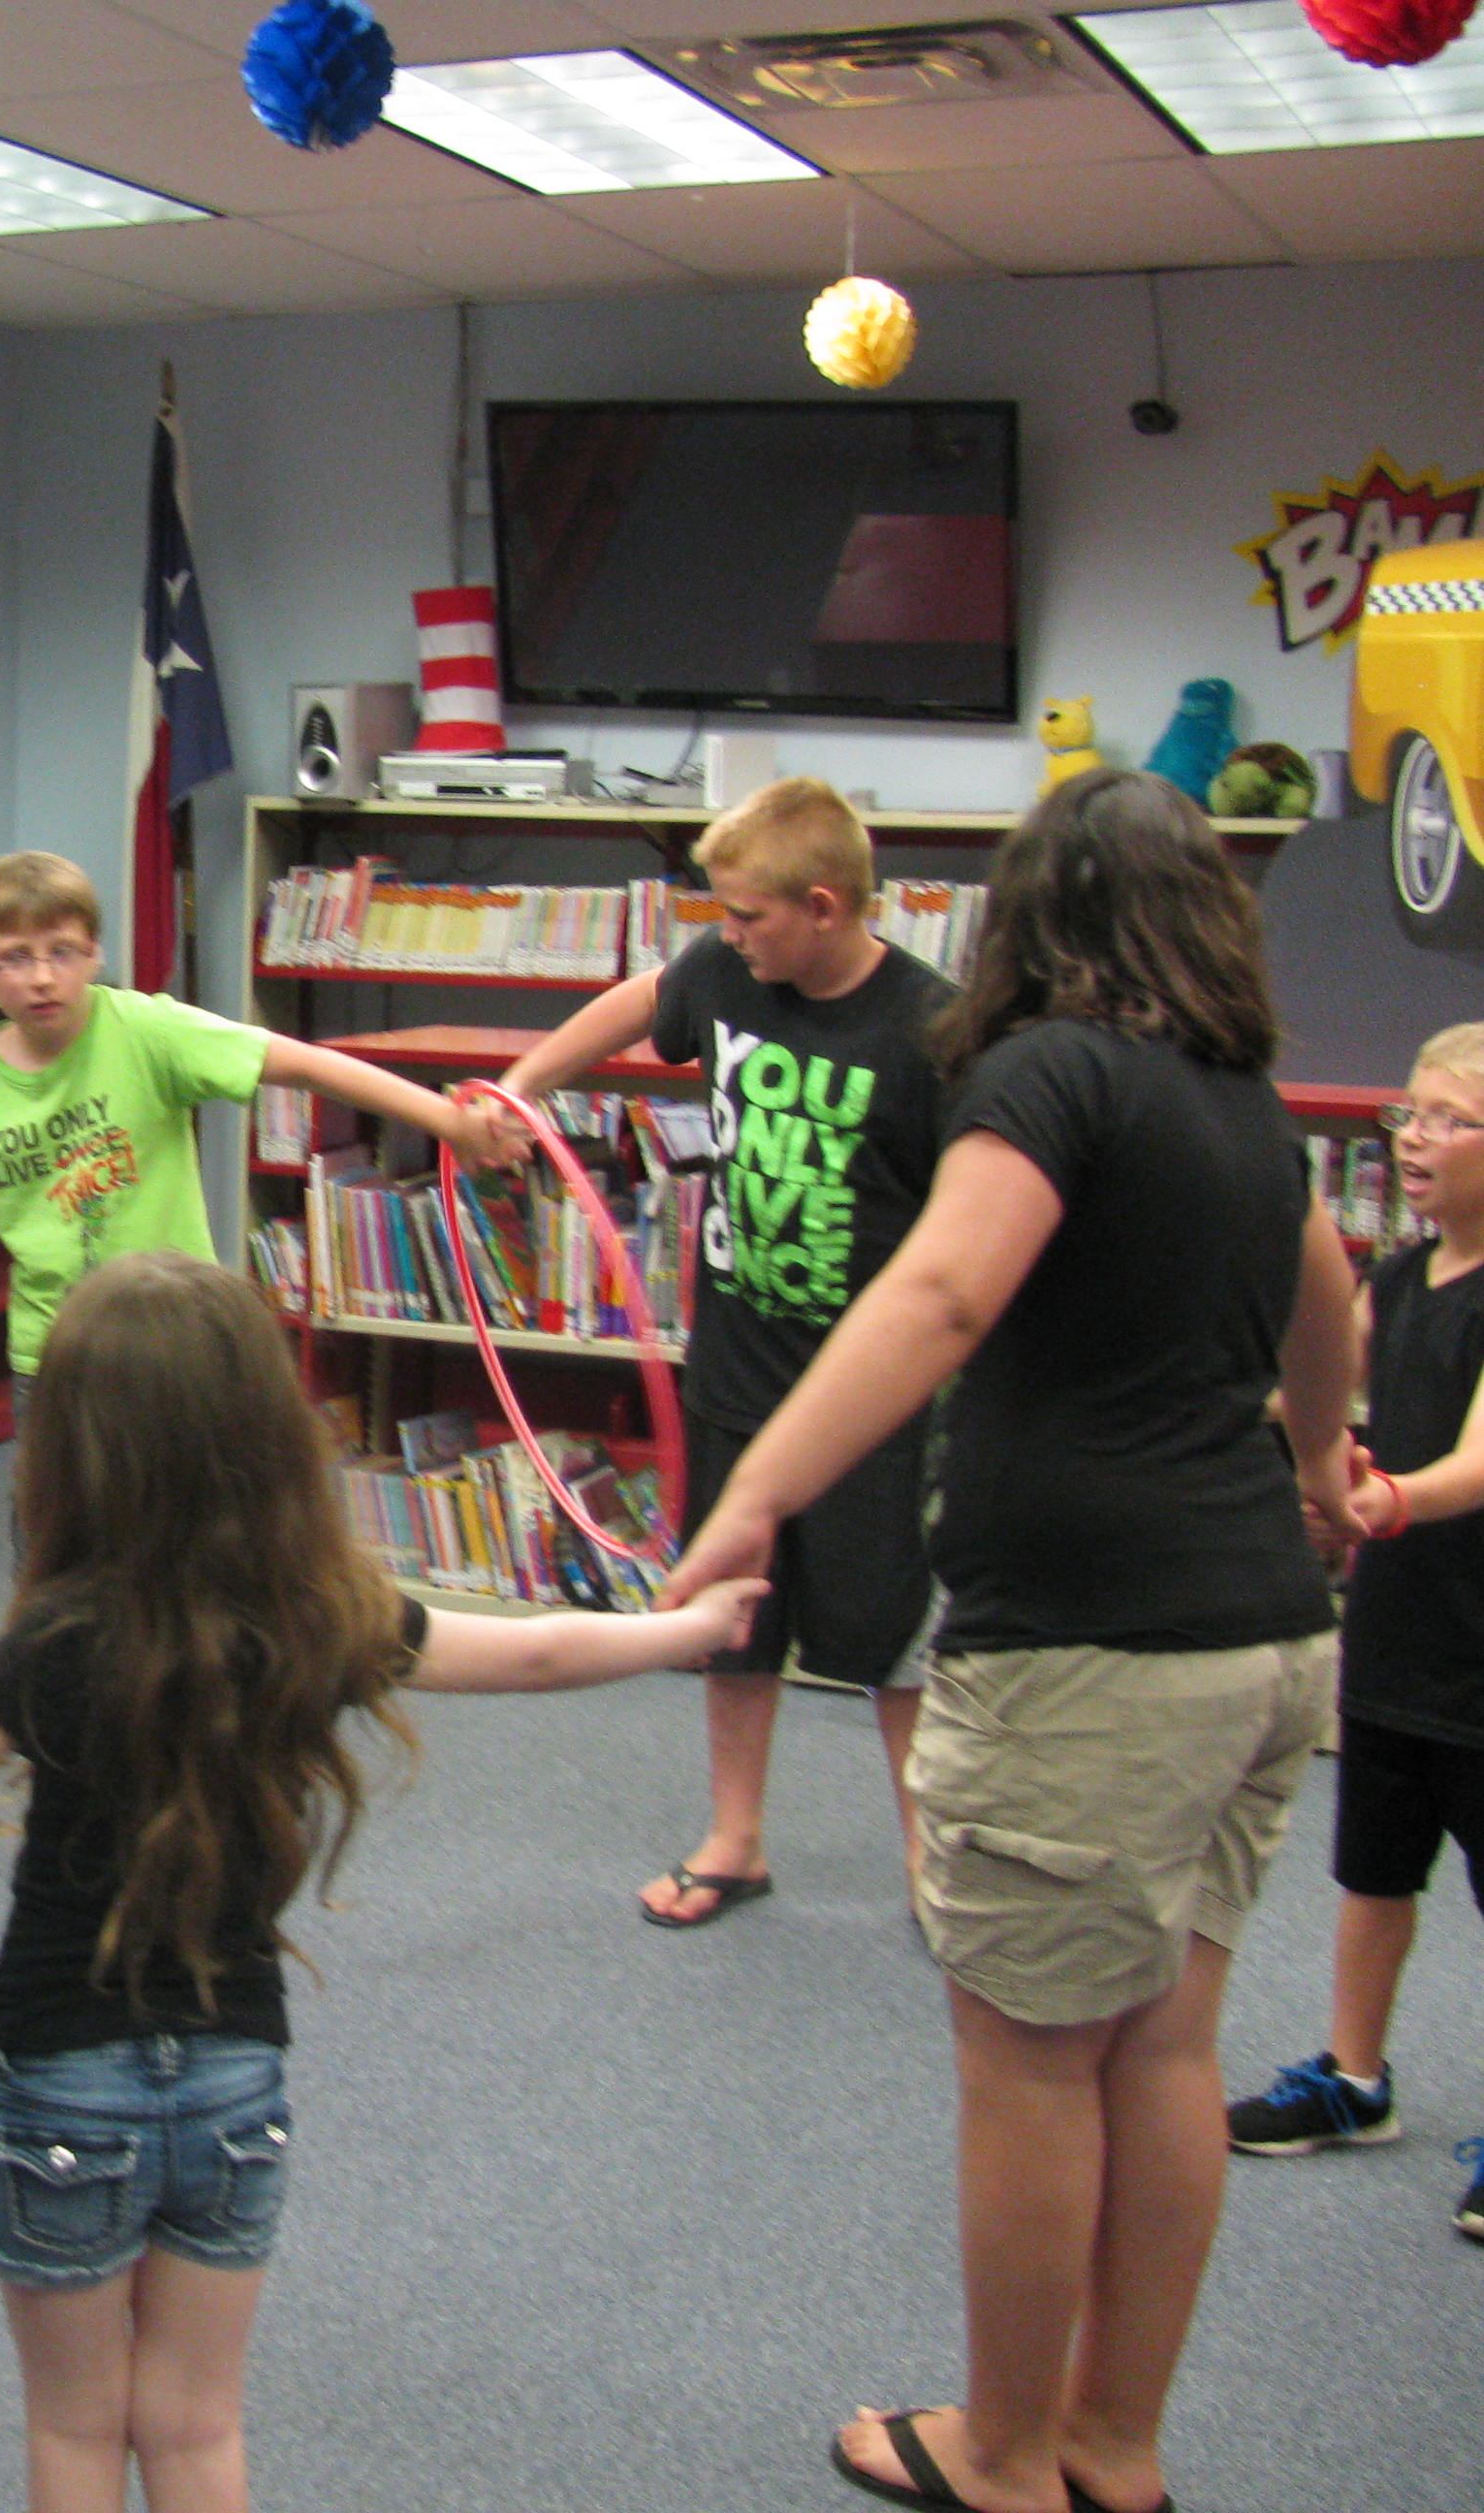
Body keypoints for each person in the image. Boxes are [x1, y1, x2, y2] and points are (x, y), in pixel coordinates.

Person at [0, 1250, 762, 2513]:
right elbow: (539, 1654)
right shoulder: (318, 1613)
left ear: (69, 1452)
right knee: (196, 2427)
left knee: (76, 2429)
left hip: (63, 2070)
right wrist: (688, 1628)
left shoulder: (62, 1638)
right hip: (235, 2077)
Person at [664, 768, 1359, 2513]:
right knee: (1167, 2047)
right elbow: (1328, 1301)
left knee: (1033, 2067)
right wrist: (1316, 1474)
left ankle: (1006, 2453)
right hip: (1263, 1640)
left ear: (1027, 918)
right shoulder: (1243, 1102)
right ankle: (1113, 2443)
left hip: (1092, 1649)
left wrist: (758, 1488)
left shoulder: (1047, 1074)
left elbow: (944, 1288)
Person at [476, 777, 952, 1926]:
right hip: (740, 1367)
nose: (727, 935)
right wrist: (523, 1089)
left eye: (746, 915)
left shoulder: (935, 1030)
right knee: (734, 1617)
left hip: (872, 1394)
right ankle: (735, 1838)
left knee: (895, 1639)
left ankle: (933, 1869)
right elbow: (641, 999)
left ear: (824, 907)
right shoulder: (729, 973)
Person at [0, 849, 494, 1390]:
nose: (42, 977)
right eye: (16, 957)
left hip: (177, 1343)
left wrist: (446, 1120)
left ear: (94, 953)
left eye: (62, 951)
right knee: (62, 1553)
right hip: (56, 1357)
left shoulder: (146, 1030)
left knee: (194, 1544)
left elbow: (304, 1063)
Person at [1222, 1020, 1484, 2244]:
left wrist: (1377, 1500)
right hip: (1395, 1639)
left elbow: (1478, 1461)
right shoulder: (1397, 1277)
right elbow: (1314, 1388)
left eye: (1449, 1121)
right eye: (1408, 1117)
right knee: (1374, 1875)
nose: (1415, 1142)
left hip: (1479, 1650)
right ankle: (1355, 2080)